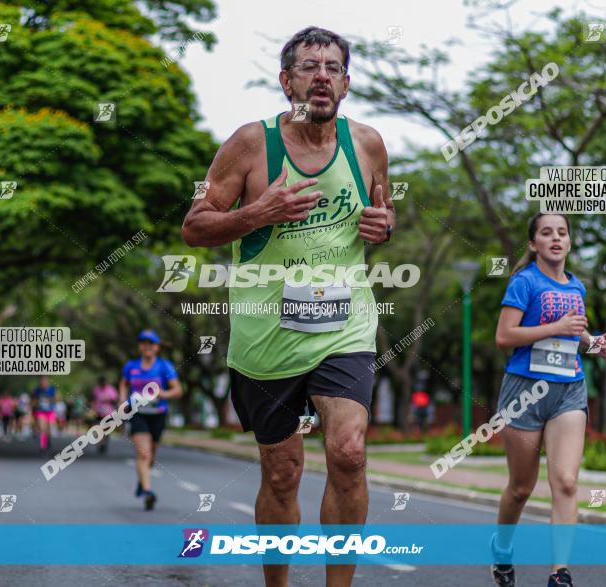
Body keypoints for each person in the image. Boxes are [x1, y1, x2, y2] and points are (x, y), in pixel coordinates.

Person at [181, 26, 395, 587]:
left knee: (347, 452)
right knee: (283, 472)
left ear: (346, 84)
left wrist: (385, 226)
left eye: (332, 67)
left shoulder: (367, 144)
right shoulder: (250, 144)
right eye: (308, 66)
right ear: (286, 81)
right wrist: (257, 213)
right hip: (266, 335)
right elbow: (194, 227)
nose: (321, 76)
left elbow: (382, 214)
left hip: (343, 326)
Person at [491, 213, 606, 587]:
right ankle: (502, 549)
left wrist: (593, 343)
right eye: (546, 233)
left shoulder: (577, 287)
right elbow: (504, 336)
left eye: (562, 233)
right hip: (525, 391)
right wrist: (556, 327)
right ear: (534, 244)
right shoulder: (523, 282)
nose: (555, 238)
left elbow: (574, 333)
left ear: (570, 242)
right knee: (521, 487)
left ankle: (559, 574)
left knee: (566, 482)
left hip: (568, 390)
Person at [118, 329, 182, 510]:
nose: (146, 346)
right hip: (137, 413)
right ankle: (147, 491)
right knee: (143, 453)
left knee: (151, 455)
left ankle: (142, 480)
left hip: (158, 414)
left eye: (150, 343)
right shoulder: (131, 366)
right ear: (139, 346)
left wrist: (163, 393)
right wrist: (123, 400)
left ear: (157, 347)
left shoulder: (164, 367)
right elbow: (124, 383)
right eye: (143, 343)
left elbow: (178, 390)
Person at [92, 376, 119, 453]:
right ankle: (101, 442)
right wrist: (93, 408)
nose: (102, 384)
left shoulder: (111, 389)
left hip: (108, 413)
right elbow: (93, 399)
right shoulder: (96, 389)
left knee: (106, 429)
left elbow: (115, 400)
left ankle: (103, 442)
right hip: (98, 412)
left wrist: (108, 400)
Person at [33, 376, 58, 454]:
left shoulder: (52, 389)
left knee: (49, 430)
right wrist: (35, 404)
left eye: (45, 381)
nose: (43, 382)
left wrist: (50, 399)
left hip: (50, 411)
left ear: (47, 381)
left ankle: (48, 440)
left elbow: (57, 398)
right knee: (42, 428)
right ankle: (43, 447)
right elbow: (34, 400)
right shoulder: (37, 390)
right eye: (41, 381)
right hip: (41, 411)